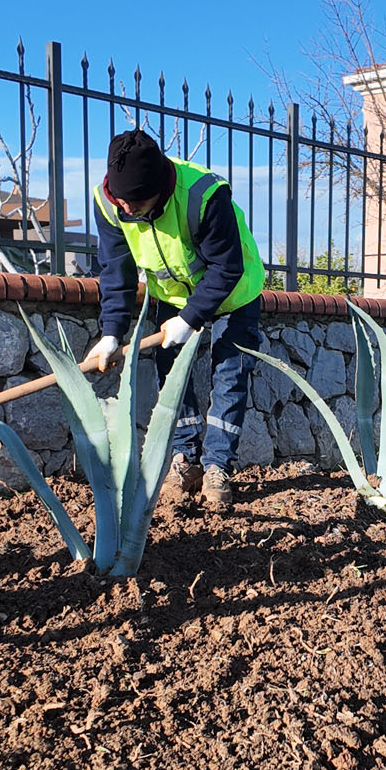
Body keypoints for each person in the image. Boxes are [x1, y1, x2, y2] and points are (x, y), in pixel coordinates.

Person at [85, 131, 266, 509]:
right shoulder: (109, 203)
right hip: (173, 296)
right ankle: (185, 459)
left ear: (161, 190)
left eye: (137, 202)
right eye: (123, 202)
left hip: (234, 292)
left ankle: (218, 466)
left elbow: (226, 266)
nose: (129, 210)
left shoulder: (204, 195)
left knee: (231, 375)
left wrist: (191, 318)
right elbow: (115, 271)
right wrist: (111, 332)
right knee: (172, 376)